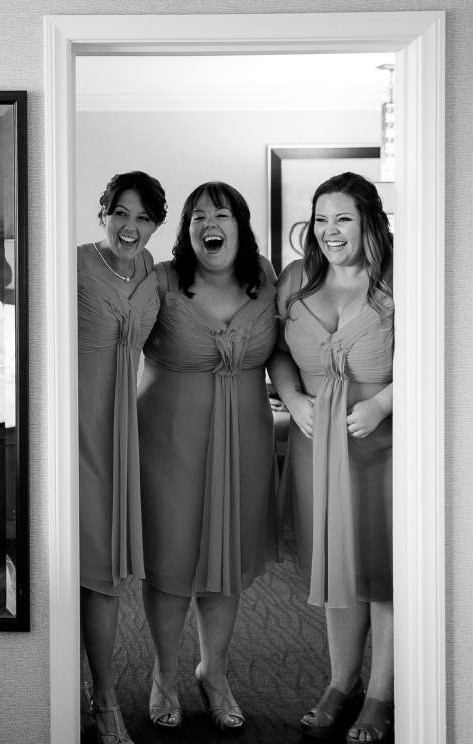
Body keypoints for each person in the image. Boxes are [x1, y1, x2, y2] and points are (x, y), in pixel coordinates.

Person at [137, 181, 278, 732]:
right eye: (196, 217)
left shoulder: (265, 278)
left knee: (226, 560)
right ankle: (162, 674)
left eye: (219, 214)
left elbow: (287, 352)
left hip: (244, 434)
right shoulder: (162, 281)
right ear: (185, 230)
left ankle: (213, 673)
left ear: (240, 226)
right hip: (168, 436)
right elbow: (113, 336)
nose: (207, 224)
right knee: (172, 558)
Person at [269, 172, 394, 743]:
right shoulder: (295, 277)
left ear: (367, 219)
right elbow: (277, 353)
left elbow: (437, 352)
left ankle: (379, 697)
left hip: (385, 444)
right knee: (334, 567)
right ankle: (340, 684)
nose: (329, 230)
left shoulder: (397, 277)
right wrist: (293, 400)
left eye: (342, 218)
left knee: (384, 573)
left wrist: (385, 405)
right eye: (321, 218)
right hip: (316, 446)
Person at [78, 171, 166, 744]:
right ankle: (100, 698)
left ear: (156, 223)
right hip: (73, 425)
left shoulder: (158, 276)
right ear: (103, 213)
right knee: (77, 561)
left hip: (122, 429)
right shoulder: (73, 263)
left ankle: (101, 693)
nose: (130, 227)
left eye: (143, 217)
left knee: (108, 566)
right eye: (120, 213)